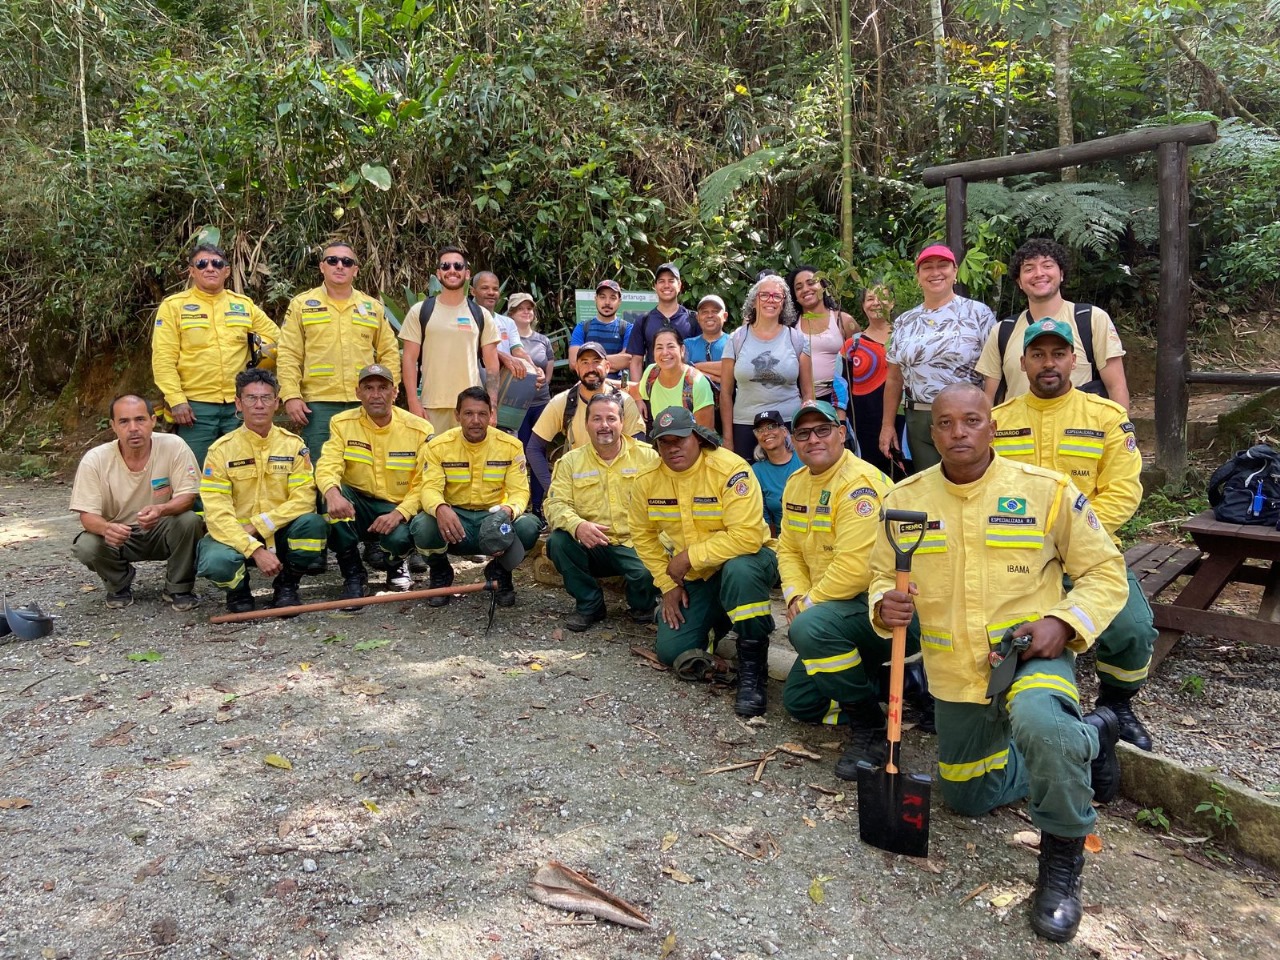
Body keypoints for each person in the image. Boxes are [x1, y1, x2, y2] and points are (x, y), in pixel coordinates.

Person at [870, 383, 1128, 944]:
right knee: (965, 796)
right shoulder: (905, 501)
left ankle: (1061, 861)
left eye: (971, 420)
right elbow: (879, 576)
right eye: (945, 423)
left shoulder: (1046, 492)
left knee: (1041, 723)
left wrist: (1064, 622)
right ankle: (1093, 736)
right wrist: (881, 603)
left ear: (993, 426)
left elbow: (1106, 573)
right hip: (954, 673)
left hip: (1029, 655)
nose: (958, 433)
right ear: (931, 432)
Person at [992, 318, 1154, 749]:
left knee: (1133, 629)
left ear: (1074, 361)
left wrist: (1072, 539)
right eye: (1038, 355)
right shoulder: (996, 422)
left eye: (1058, 354)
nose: (1049, 363)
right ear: (1022, 363)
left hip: (1089, 550)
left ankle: (1117, 705)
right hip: (1015, 552)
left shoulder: (1106, 417)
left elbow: (1123, 492)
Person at [776, 401, 916, 778]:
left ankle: (870, 726)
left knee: (807, 629)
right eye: (802, 433)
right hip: (833, 611)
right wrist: (793, 595)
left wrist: (808, 605)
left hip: (883, 611)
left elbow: (855, 570)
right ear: (793, 441)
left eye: (823, 429)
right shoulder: (797, 482)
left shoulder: (860, 486)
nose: (813, 439)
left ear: (842, 433)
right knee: (800, 704)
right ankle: (884, 680)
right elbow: (787, 548)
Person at [628, 406, 778, 718]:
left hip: (750, 560)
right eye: (664, 442)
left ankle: (753, 671)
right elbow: (643, 536)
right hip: (698, 575)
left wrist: (688, 557)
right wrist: (668, 585)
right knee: (671, 652)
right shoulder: (647, 480)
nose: (673, 448)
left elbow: (748, 536)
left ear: (696, 437)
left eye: (679, 439)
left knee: (740, 570)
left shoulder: (730, 470)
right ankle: (732, 619)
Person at [196, 370, 327, 613]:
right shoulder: (221, 451)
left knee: (313, 525)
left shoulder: (294, 446)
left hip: (278, 532)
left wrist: (261, 524)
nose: (259, 405)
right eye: (251, 398)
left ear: (277, 403)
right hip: (235, 535)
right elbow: (216, 513)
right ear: (238, 403)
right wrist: (253, 548)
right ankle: (239, 592)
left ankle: (287, 585)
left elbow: (304, 499)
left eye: (266, 398)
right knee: (216, 561)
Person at [151, 243, 281, 468]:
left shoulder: (243, 306)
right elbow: (163, 359)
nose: (210, 268)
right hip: (195, 408)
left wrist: (262, 365)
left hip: (238, 405)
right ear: (192, 271)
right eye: (202, 264)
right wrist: (177, 400)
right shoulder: (174, 307)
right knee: (194, 472)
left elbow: (279, 339)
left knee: (242, 467)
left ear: (227, 271)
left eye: (217, 263)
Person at [70, 395, 202, 611]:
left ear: (152, 420)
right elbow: (87, 515)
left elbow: (188, 497)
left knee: (190, 521)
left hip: (162, 527)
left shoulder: (174, 445)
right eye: (124, 421)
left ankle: (179, 587)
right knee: (86, 545)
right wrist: (106, 528)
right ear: (113, 426)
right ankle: (118, 584)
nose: (133, 428)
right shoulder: (95, 459)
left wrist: (162, 509)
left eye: (140, 419)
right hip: (119, 534)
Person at [410, 388, 541, 607]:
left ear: (491, 415)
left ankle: (500, 571)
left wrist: (508, 511)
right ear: (457, 415)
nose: (476, 420)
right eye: (469, 414)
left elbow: (520, 492)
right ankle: (441, 573)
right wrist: (440, 508)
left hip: (493, 519)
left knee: (529, 526)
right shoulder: (438, 446)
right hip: (455, 520)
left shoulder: (510, 446)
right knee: (422, 525)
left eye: (482, 414)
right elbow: (429, 488)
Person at [315, 364, 434, 602]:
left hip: (397, 505)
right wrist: (332, 493)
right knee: (328, 499)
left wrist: (400, 513)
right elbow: (328, 464)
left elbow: (426, 482)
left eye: (383, 388)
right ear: (358, 393)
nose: (376, 394)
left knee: (401, 537)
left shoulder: (419, 429)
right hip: (357, 503)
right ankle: (353, 574)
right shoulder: (341, 423)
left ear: (395, 392)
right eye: (368, 388)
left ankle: (395, 565)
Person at [544, 393, 661, 631]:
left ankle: (643, 605)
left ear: (622, 422)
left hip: (637, 545)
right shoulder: (570, 462)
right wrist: (578, 525)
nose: (604, 425)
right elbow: (554, 505)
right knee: (558, 542)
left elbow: (667, 505)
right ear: (586, 424)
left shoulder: (649, 457)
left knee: (645, 573)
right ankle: (590, 605)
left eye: (611, 418)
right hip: (593, 546)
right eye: (597, 419)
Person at [878, 244, 996, 472]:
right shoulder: (904, 321)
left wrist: (987, 411)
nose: (935, 272)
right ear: (918, 277)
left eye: (942, 266)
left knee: (970, 478)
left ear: (954, 271)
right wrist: (887, 425)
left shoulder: (978, 313)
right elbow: (894, 378)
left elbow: (992, 370)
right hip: (919, 418)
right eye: (927, 267)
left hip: (967, 417)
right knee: (929, 484)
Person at [276, 241, 400, 457]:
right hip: (318, 404)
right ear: (322, 267)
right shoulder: (302, 305)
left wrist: (390, 388)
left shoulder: (372, 307)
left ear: (355, 270)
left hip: (364, 401)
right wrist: (291, 395)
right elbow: (289, 354)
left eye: (347, 261)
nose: (339, 265)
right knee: (320, 466)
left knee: (364, 466)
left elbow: (388, 351)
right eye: (332, 260)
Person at [978, 238, 1130, 408]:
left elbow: (1116, 387)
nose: (1039, 273)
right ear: (1019, 282)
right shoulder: (1002, 331)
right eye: (1029, 268)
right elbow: (990, 398)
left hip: (1078, 430)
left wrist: (1123, 432)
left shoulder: (1091, 319)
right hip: (1021, 432)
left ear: (1062, 273)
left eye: (1047, 266)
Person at [398, 246, 500, 432]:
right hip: (431, 407)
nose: (452, 270)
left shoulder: (481, 315)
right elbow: (409, 359)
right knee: (431, 460)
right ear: (438, 273)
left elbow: (492, 366)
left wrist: (492, 406)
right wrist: (413, 401)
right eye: (445, 266)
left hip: (472, 408)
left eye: (458, 266)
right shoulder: (420, 311)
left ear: (467, 273)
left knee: (471, 460)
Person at [526, 342, 645, 495]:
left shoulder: (624, 402)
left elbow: (640, 449)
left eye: (596, 362)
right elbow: (534, 448)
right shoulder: (562, 402)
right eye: (585, 362)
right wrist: (553, 491)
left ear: (607, 367)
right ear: (577, 368)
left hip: (621, 488)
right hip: (581, 489)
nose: (590, 369)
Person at [720, 274, 813, 456]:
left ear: (784, 303)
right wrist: (728, 439)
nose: (771, 300)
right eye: (765, 295)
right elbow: (725, 393)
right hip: (745, 426)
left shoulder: (797, 339)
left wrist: (806, 428)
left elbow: (808, 393)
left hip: (788, 424)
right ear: (755, 301)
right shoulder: (737, 339)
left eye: (777, 296)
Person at [845, 283, 904, 477]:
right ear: (863, 305)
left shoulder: (906, 337)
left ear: (893, 302)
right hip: (864, 424)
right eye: (870, 299)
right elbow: (840, 386)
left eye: (882, 297)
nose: (876, 303)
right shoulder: (852, 344)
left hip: (904, 420)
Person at [509, 293, 556, 518]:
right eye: (520, 309)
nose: (526, 312)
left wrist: (542, 384)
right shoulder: (507, 338)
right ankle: (519, 502)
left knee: (538, 452)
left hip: (541, 403)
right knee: (519, 453)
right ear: (511, 313)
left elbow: (549, 366)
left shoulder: (542, 340)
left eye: (529, 308)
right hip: (516, 405)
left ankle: (538, 505)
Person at [789, 265, 859, 404]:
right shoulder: (790, 328)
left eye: (811, 283)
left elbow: (861, 360)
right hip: (802, 400)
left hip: (841, 400)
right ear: (795, 296)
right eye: (798, 287)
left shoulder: (843, 320)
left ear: (823, 286)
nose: (805, 289)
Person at [626, 264, 696, 382]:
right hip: (653, 391)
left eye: (671, 281)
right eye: (661, 281)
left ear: (679, 285)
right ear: (655, 286)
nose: (666, 285)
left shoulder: (693, 319)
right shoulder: (643, 321)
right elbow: (636, 362)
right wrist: (638, 395)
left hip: (686, 391)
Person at [637, 326, 715, 430]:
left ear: (682, 349)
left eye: (671, 346)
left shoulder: (697, 383)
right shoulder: (651, 373)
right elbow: (636, 391)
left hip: (691, 444)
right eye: (659, 347)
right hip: (662, 442)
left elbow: (705, 434)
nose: (665, 352)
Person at [470, 271, 538, 383]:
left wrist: (534, 369)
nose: (491, 292)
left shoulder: (508, 323)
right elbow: (472, 348)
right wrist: (504, 357)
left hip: (503, 386)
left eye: (495, 289)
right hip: (472, 385)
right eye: (485, 288)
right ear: (473, 291)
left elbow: (518, 350)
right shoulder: (466, 320)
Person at [748, 410, 802, 537]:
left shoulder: (804, 458)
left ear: (784, 432)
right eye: (760, 430)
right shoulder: (756, 471)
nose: (766, 433)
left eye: (771, 427)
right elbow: (763, 518)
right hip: (782, 541)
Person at [569, 279, 633, 370]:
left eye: (613, 298)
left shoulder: (627, 328)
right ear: (596, 299)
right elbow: (573, 362)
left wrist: (588, 363)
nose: (607, 302)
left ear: (619, 301)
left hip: (617, 384)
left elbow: (628, 360)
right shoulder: (582, 327)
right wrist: (614, 364)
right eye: (602, 297)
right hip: (588, 383)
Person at [684, 295, 731, 390]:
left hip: (729, 401)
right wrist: (716, 378)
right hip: (695, 402)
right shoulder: (687, 344)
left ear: (725, 316)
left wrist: (694, 366)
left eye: (715, 311)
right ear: (698, 317)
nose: (709, 315)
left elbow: (733, 371)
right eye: (705, 312)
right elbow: (682, 373)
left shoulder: (733, 342)